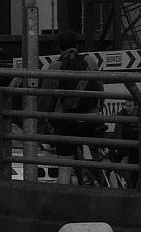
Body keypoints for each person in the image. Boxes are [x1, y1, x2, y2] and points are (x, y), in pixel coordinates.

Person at [42, 30, 104, 185]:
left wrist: (44, 121)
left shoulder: (55, 67)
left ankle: (62, 202)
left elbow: (45, 100)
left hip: (66, 121)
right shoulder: (90, 62)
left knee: (65, 167)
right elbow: (100, 91)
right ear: (77, 46)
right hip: (91, 119)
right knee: (99, 159)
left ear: (58, 48)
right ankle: (103, 186)